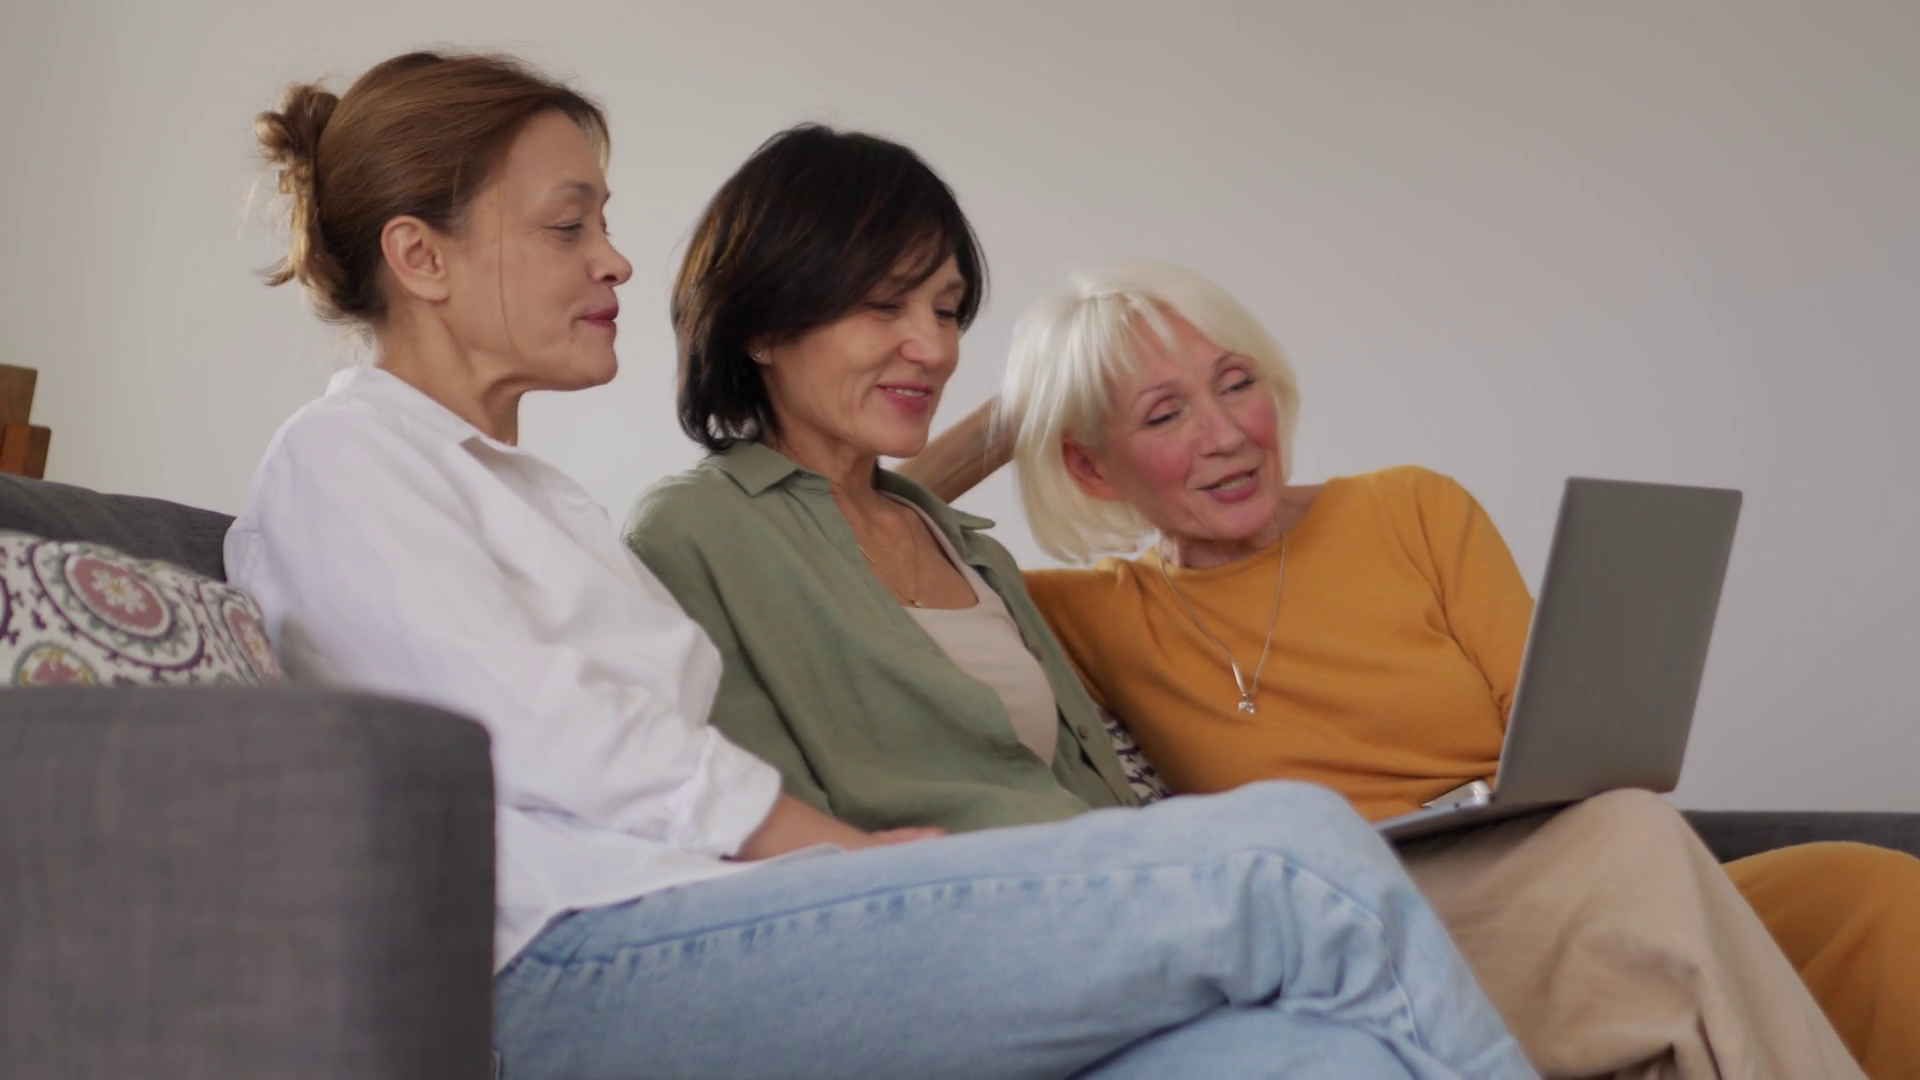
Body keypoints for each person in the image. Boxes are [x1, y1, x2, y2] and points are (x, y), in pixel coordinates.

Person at [229, 56, 1535, 1080]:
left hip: (707, 926)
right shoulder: (343, 460)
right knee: (1299, 851)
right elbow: (542, 730)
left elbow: (854, 528)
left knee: (1321, 1060)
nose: (615, 258)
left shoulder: (539, 501)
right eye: (570, 226)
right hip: (570, 965)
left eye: (603, 224)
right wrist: (837, 853)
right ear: (421, 256)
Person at [621, 126, 1861, 1077]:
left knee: (1740, 878)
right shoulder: (705, 533)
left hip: (1180, 888)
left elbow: (876, 511)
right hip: (1030, 923)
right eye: (884, 306)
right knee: (1604, 859)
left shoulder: (971, 554)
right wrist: (1032, 401)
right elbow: (749, 790)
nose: (936, 346)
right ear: (765, 320)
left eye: (948, 310)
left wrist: (889, 449)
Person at [989, 260, 1920, 1078]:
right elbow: (898, 545)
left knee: (1871, 893)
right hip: (1383, 923)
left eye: (1237, 383)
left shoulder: (1410, 508)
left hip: (1565, 867)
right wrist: (1009, 401)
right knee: (1636, 839)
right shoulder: (1087, 614)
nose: (1226, 432)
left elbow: (1563, 736)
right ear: (1092, 469)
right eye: (1165, 414)